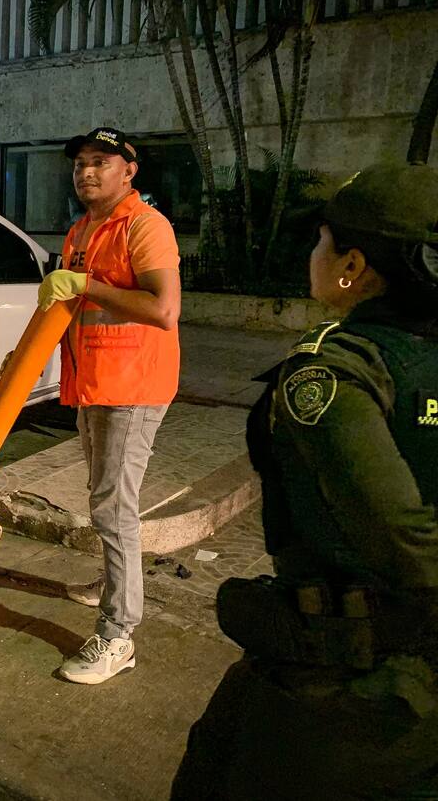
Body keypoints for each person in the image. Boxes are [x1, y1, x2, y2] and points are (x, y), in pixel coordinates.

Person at [172, 163, 438, 799]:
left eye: (320, 241)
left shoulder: (334, 374)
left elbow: (398, 532)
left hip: (349, 689)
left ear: (351, 265)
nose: (312, 255)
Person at [36, 126, 181, 685]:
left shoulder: (145, 227)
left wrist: (88, 285)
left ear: (129, 170)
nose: (87, 173)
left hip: (134, 388)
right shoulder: (82, 230)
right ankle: (113, 580)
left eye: (101, 162)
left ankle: (118, 632)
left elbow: (164, 309)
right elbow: (68, 307)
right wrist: (25, 357)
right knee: (105, 499)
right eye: (80, 165)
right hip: (94, 384)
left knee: (113, 508)